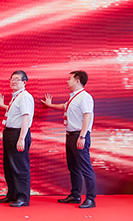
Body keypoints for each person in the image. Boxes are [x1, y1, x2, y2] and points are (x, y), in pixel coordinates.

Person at [41, 70, 96, 209]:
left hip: (79, 135)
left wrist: (82, 136)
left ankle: (90, 198)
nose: (67, 81)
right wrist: (50, 105)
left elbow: (88, 116)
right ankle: (75, 195)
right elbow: (65, 106)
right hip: (70, 135)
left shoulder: (85, 97)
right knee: (73, 167)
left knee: (85, 168)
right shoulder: (74, 97)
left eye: (70, 78)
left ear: (78, 81)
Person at [0, 70, 34, 207]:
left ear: (24, 82)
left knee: (19, 166)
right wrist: (2, 106)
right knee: (9, 166)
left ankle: (22, 197)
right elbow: (14, 112)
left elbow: (26, 117)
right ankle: (12, 194)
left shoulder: (25, 96)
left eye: (17, 79)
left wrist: (21, 138)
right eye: (12, 79)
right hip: (9, 133)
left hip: (18, 133)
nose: (13, 81)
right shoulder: (16, 97)